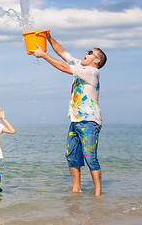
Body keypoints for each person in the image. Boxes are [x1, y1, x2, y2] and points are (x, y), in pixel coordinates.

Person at [29, 31, 107, 196]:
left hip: (90, 121)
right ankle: (76, 190)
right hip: (75, 120)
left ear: (96, 60)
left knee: (90, 156)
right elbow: (63, 53)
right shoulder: (81, 65)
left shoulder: (92, 72)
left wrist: (43, 55)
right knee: (71, 155)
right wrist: (48, 38)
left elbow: (64, 68)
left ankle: (98, 195)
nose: (86, 53)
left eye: (90, 52)